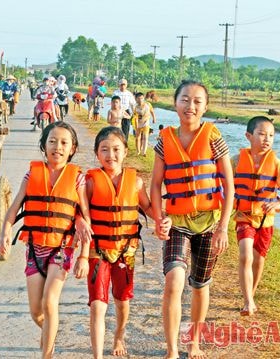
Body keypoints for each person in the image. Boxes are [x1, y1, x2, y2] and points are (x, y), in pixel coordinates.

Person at [150, 80, 234, 359]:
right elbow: (155, 185)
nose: (191, 106)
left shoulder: (213, 136)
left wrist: (223, 227)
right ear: (175, 103)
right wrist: (159, 218)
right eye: (185, 99)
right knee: (174, 281)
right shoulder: (165, 139)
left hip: (209, 223)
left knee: (200, 283)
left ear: (206, 107)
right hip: (177, 222)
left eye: (198, 101)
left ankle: (194, 342)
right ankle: (172, 350)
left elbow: (229, 185)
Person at [0, 121, 93, 358]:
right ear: (43, 145)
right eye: (52, 141)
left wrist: (84, 256)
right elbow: (15, 205)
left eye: (64, 143)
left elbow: (85, 216)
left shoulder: (77, 178)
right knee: (36, 312)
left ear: (72, 149)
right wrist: (5, 231)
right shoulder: (32, 174)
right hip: (35, 249)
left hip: (62, 249)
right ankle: (50, 330)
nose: (57, 147)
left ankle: (47, 354)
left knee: (50, 302)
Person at [85, 126, 171, 358]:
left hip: (125, 252)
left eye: (116, 149)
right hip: (98, 250)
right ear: (97, 154)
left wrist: (164, 219)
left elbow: (149, 209)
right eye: (104, 150)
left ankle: (119, 335)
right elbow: (80, 212)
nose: (110, 155)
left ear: (125, 152)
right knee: (97, 305)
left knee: (122, 300)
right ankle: (97, 355)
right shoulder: (90, 182)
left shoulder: (136, 183)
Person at [232, 116, 280, 317]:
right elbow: (221, 179)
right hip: (244, 217)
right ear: (248, 136)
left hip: (265, 220)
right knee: (246, 255)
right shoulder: (235, 161)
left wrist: (279, 202)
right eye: (261, 134)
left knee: (259, 260)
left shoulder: (276, 163)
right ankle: (247, 302)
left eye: (271, 135)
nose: (266, 139)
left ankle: (251, 294)